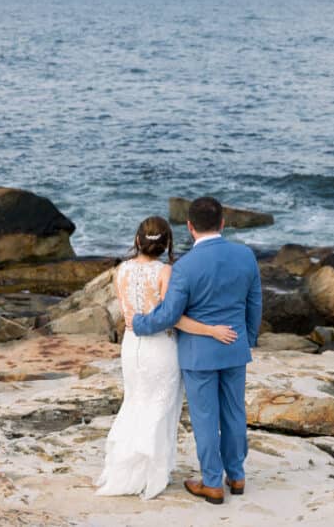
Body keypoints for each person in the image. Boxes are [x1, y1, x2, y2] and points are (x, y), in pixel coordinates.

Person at [95, 215, 237, 500]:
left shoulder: (120, 270)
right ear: (167, 244)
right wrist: (211, 330)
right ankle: (152, 475)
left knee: (135, 402)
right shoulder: (166, 272)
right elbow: (173, 320)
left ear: (137, 241)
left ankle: (126, 471)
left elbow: (130, 314)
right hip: (160, 348)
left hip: (132, 345)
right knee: (159, 409)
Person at [131, 197, 262, 505]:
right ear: (223, 223)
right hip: (234, 347)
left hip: (198, 354)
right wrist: (248, 338)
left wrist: (138, 323)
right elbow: (255, 303)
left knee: (205, 417)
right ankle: (237, 475)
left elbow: (168, 315)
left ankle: (212, 482)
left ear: (189, 227)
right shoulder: (246, 256)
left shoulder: (185, 266)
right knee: (234, 412)